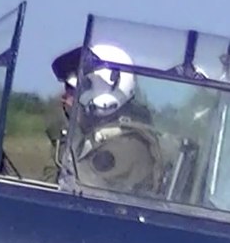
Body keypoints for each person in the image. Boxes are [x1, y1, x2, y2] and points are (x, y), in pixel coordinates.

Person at [44, 44, 166, 195]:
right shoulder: (99, 140)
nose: (65, 98)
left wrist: (66, 136)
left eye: (72, 90)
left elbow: (82, 195)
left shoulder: (126, 148)